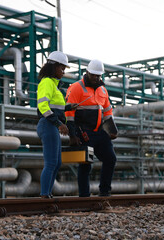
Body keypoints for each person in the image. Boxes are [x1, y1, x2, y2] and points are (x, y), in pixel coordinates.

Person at [65, 59, 117, 197]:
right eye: (93, 74)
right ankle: (84, 196)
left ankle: (105, 192)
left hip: (100, 131)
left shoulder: (103, 90)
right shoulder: (76, 87)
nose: (95, 77)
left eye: (98, 75)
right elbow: (69, 114)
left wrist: (111, 130)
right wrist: (72, 135)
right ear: (87, 72)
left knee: (110, 158)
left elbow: (107, 112)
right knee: (86, 164)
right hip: (83, 132)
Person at [36, 51, 77, 198]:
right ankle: (45, 195)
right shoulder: (47, 82)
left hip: (51, 125)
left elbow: (55, 107)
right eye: (62, 68)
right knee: (51, 163)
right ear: (53, 67)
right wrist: (59, 123)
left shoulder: (54, 86)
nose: (63, 72)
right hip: (48, 124)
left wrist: (68, 107)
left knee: (57, 163)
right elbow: (43, 106)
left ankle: (47, 194)